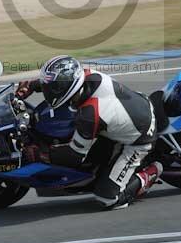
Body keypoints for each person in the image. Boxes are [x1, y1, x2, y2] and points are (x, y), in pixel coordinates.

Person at [16, 55, 162, 210]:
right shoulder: (86, 76)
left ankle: (154, 170)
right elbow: (59, 82)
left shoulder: (89, 115)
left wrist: (41, 155)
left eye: (51, 87)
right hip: (135, 106)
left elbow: (75, 155)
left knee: (108, 198)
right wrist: (31, 86)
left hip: (139, 139)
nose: (47, 90)